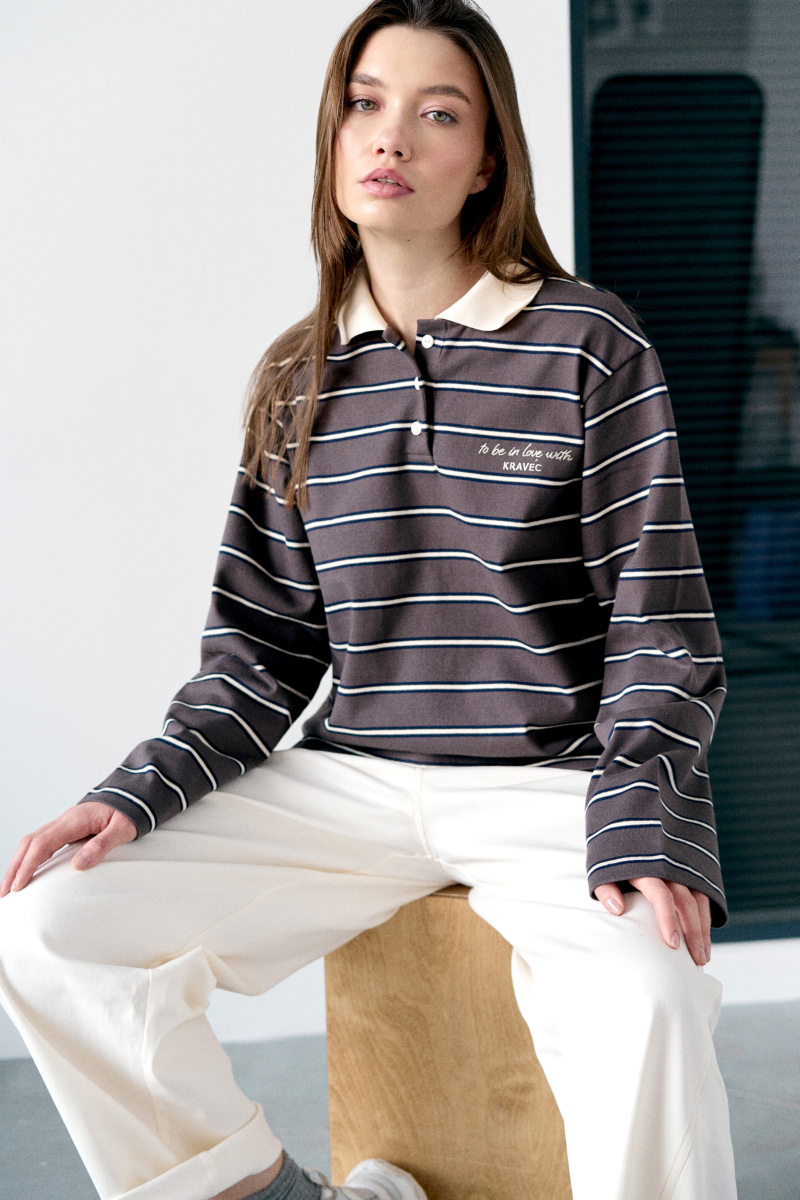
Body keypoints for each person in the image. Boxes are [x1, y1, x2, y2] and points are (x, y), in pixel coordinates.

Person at [0, 2, 738, 1199]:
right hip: (357, 779)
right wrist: (133, 792)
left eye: (437, 112)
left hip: (549, 782)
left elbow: (658, 628)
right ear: (334, 137)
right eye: (364, 103)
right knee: (48, 929)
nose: (390, 135)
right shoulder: (298, 376)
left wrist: (643, 816)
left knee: (651, 1000)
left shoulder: (585, 343)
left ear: (485, 161)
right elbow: (259, 652)